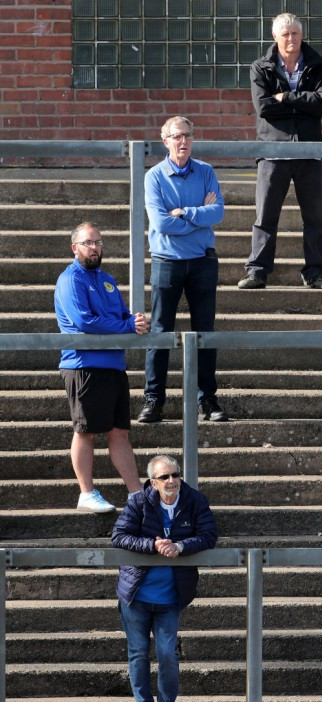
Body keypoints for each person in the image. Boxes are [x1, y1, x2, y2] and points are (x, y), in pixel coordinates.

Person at [139, 115, 227, 424]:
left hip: (202, 261)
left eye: (187, 136)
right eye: (176, 136)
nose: (183, 141)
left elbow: (217, 212)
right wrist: (197, 216)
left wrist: (185, 212)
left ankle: (208, 400)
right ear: (165, 141)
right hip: (167, 261)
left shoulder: (205, 171)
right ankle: (154, 400)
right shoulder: (154, 177)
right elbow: (161, 223)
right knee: (161, 331)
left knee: (204, 333)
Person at [54, 221, 147, 512]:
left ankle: (136, 494)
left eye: (98, 242)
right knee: (86, 430)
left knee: (119, 431)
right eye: (88, 243)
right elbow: (84, 322)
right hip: (85, 365)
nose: (94, 248)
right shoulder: (71, 279)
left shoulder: (106, 279)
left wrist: (137, 321)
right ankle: (86, 493)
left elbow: (122, 316)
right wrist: (127, 325)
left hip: (113, 365)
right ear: (74, 247)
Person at [239, 12, 322, 290]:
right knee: (265, 217)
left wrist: (286, 97)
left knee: (315, 218)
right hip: (273, 150)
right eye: (285, 34)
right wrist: (301, 102)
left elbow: (320, 104)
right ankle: (257, 271)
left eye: (295, 33)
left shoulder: (318, 65)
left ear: (301, 35)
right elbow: (264, 107)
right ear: (275, 37)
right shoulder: (261, 67)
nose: (291, 39)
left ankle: (314, 272)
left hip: (309, 150)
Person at [112, 455, 218, 702]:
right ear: (153, 482)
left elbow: (209, 534)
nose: (172, 480)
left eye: (175, 474)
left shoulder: (194, 500)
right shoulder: (139, 501)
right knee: (138, 652)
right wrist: (152, 544)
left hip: (170, 596)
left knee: (168, 654)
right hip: (136, 594)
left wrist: (181, 546)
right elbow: (119, 536)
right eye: (164, 477)